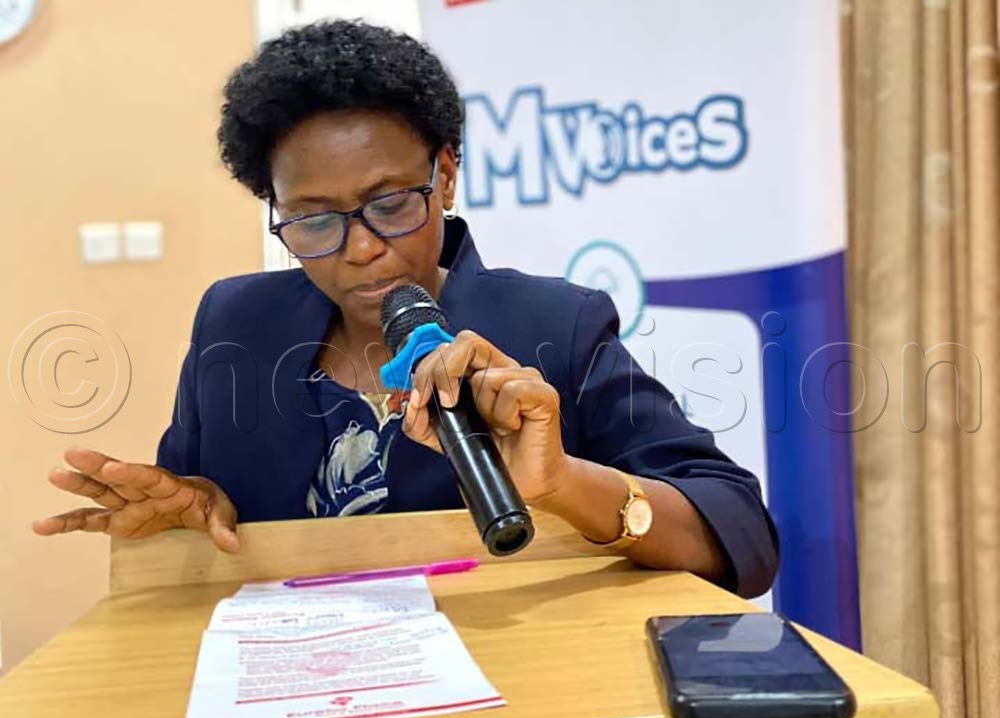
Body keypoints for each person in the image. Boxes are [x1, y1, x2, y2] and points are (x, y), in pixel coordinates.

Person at [34, 20, 778, 598]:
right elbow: (197, 505)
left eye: (389, 204)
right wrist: (190, 508)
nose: (359, 249)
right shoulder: (235, 322)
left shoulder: (557, 325)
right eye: (314, 219)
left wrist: (564, 486)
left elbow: (740, 534)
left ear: (446, 175)